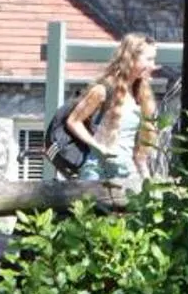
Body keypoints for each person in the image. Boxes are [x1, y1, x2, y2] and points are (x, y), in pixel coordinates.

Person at [64, 34, 159, 189]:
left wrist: (147, 180)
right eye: (149, 59)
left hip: (126, 173)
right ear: (131, 58)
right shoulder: (104, 89)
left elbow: (141, 153)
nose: (153, 65)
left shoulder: (142, 94)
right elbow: (73, 121)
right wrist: (98, 147)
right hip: (97, 172)